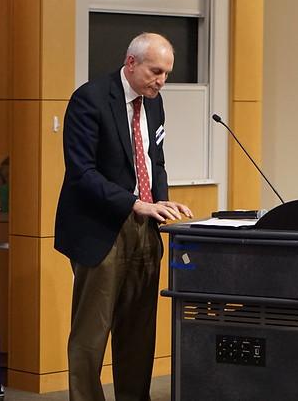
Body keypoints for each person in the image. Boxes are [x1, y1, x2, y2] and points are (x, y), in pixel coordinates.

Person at [54, 32, 193, 400]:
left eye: (166, 73)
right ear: (131, 63)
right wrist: (135, 202)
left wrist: (162, 203)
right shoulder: (90, 99)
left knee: (138, 331)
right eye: (156, 71)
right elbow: (81, 172)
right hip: (101, 228)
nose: (161, 81)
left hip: (145, 229)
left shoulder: (155, 102)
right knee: (91, 335)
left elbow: (154, 161)